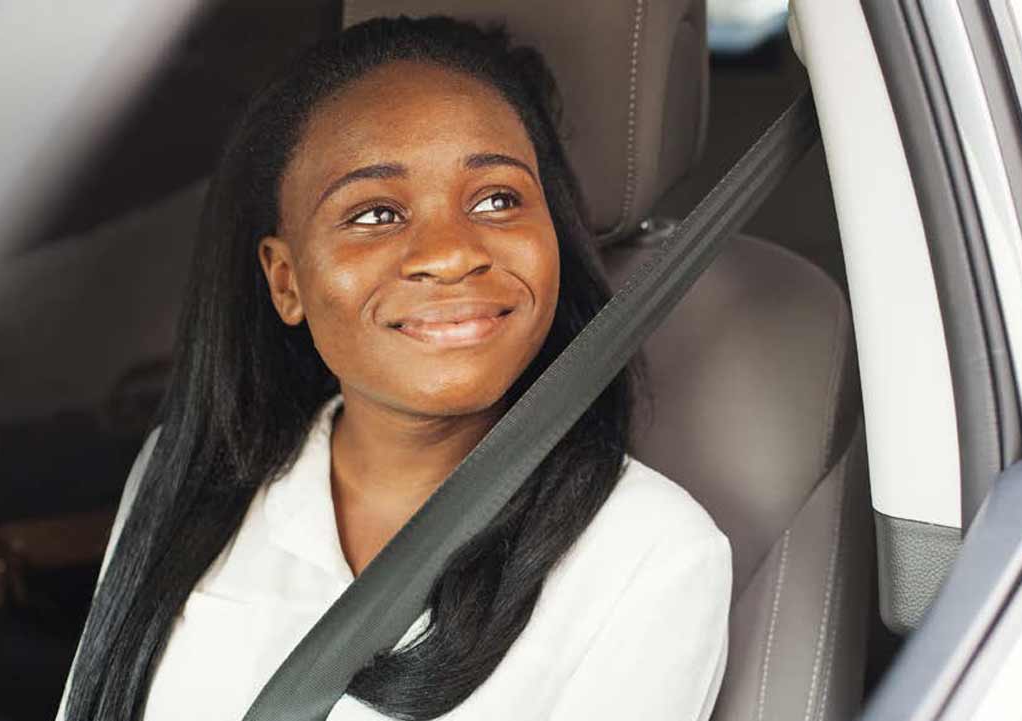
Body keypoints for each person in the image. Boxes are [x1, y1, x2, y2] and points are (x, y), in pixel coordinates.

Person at [59, 16, 730, 721]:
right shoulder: (187, 475)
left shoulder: (650, 554)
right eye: (375, 214)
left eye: (497, 200)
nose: (450, 254)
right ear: (286, 281)